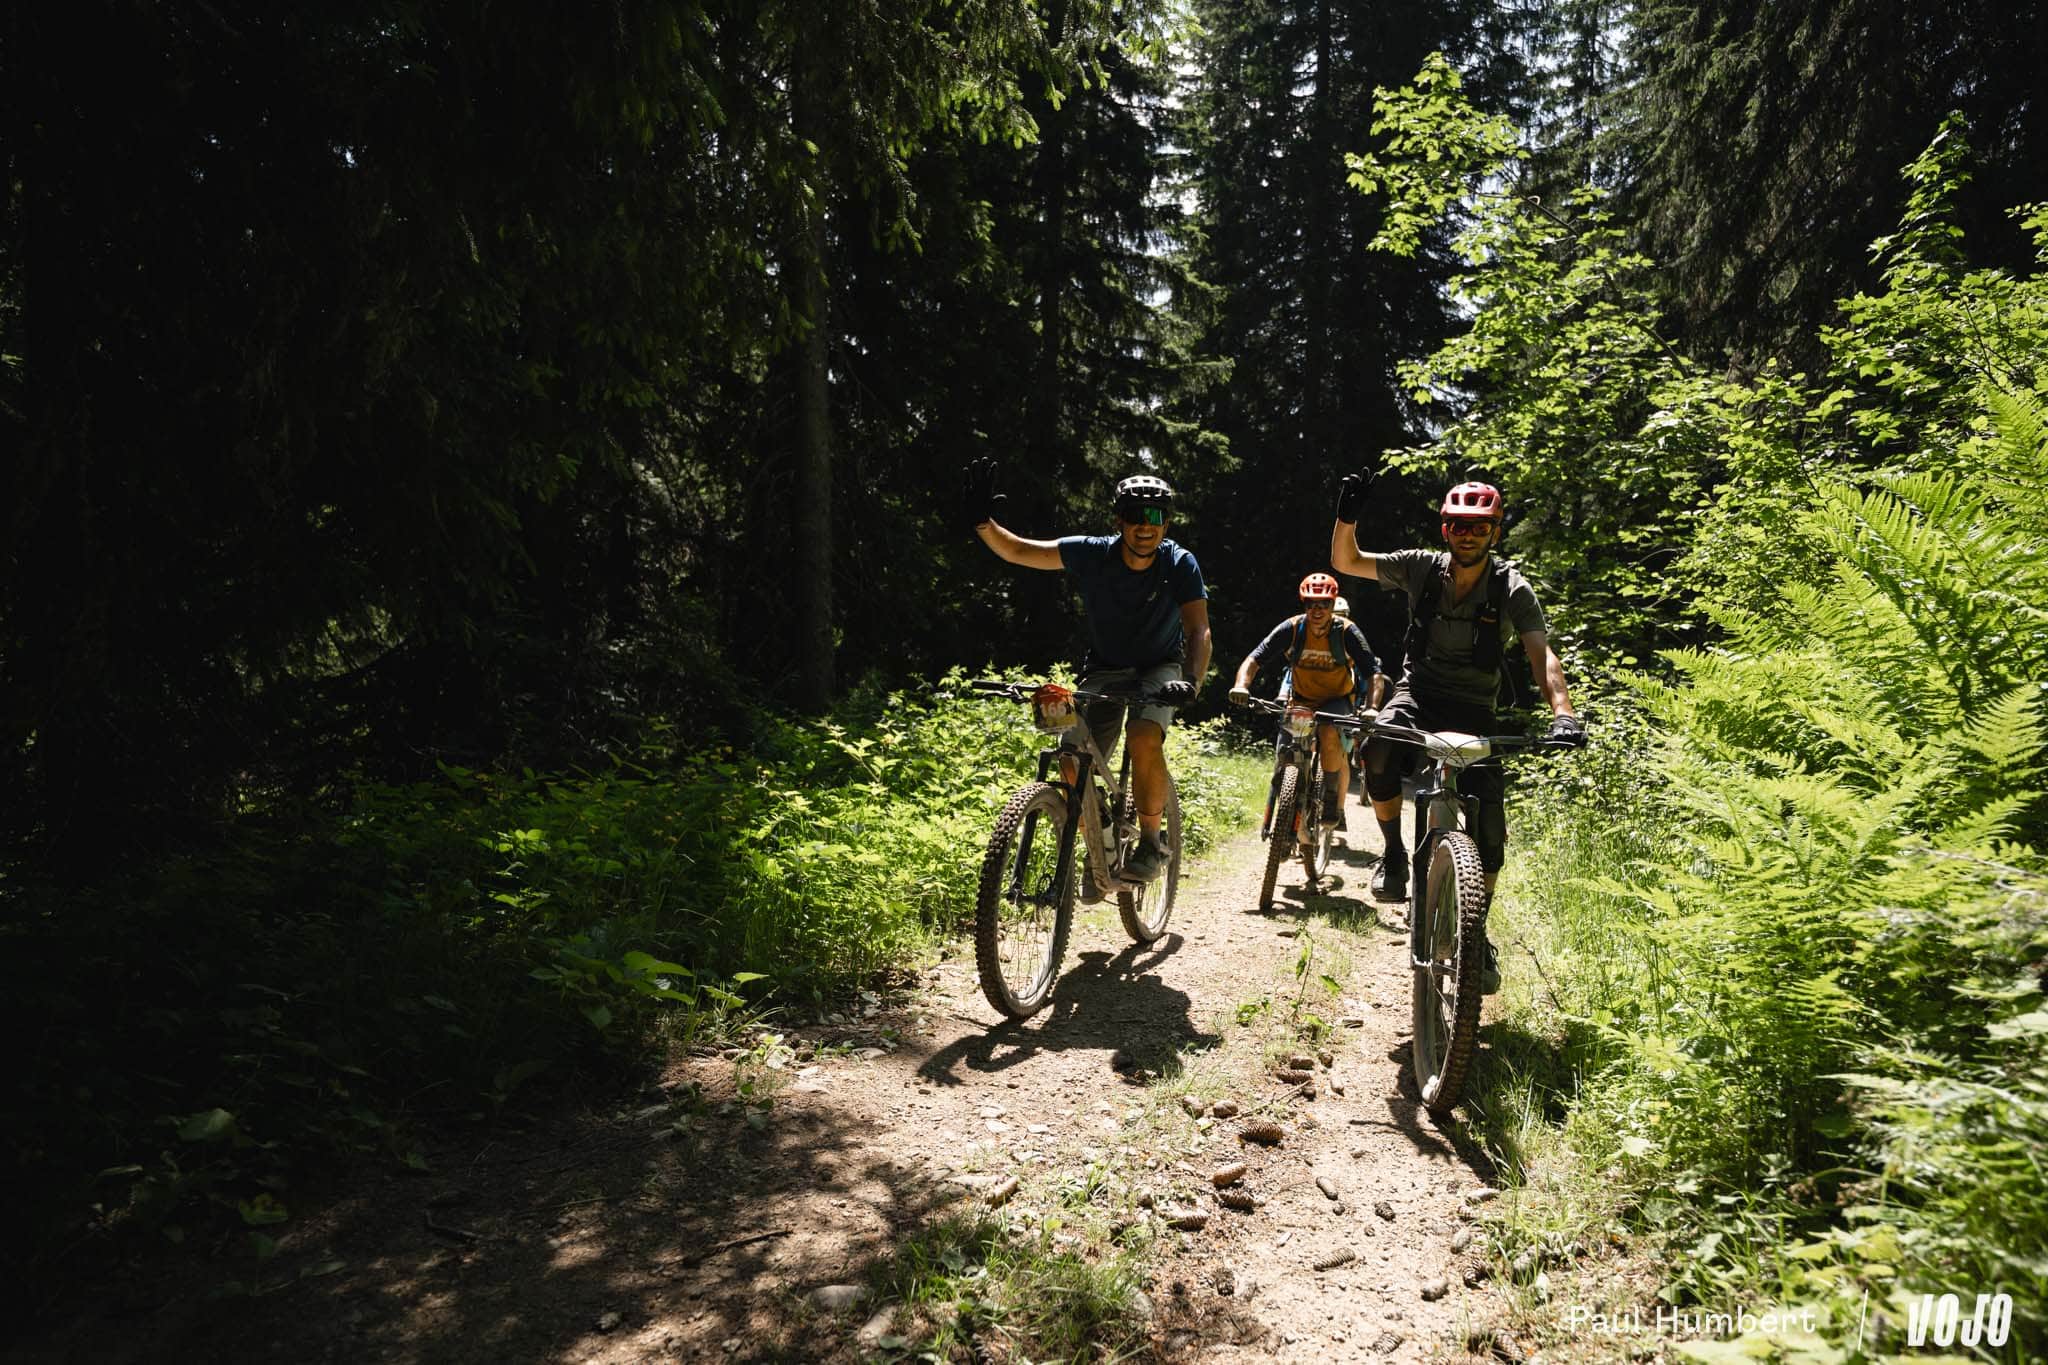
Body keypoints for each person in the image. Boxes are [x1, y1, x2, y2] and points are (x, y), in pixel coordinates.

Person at [1330, 476, 1585, 985]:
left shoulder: (1512, 587)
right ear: (1446, 529)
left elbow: (1543, 657)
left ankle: (1476, 931)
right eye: (1459, 526)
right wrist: (1347, 516)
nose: (1468, 535)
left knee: (1490, 829)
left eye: (1480, 527)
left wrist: (1564, 712)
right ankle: (1396, 855)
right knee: (1378, 749)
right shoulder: (1421, 567)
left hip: (1474, 709)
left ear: (1495, 531)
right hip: (1418, 695)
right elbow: (1347, 562)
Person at [968, 464, 1211, 883]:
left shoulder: (1179, 563)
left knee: (1143, 735)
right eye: (1134, 515)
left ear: (1166, 523)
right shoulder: (1094, 553)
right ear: (1119, 519)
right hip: (1103, 669)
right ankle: (1101, 841)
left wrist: (1192, 680)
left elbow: (1198, 629)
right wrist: (982, 523)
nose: (1144, 526)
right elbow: (1020, 551)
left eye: (1154, 517)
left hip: (1160, 668)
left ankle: (1152, 842)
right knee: (1070, 754)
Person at [1227, 573, 1385, 830]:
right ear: (1304, 604)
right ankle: (1284, 807)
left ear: (1333, 605)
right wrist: (1241, 685)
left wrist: (1371, 708)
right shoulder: (1292, 628)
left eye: (1323, 603)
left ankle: (1331, 797)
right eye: (1311, 603)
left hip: (1337, 700)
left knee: (1329, 732)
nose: (1317, 609)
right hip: (1301, 700)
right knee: (1286, 752)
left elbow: (1373, 673)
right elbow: (1255, 658)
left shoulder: (1347, 632)